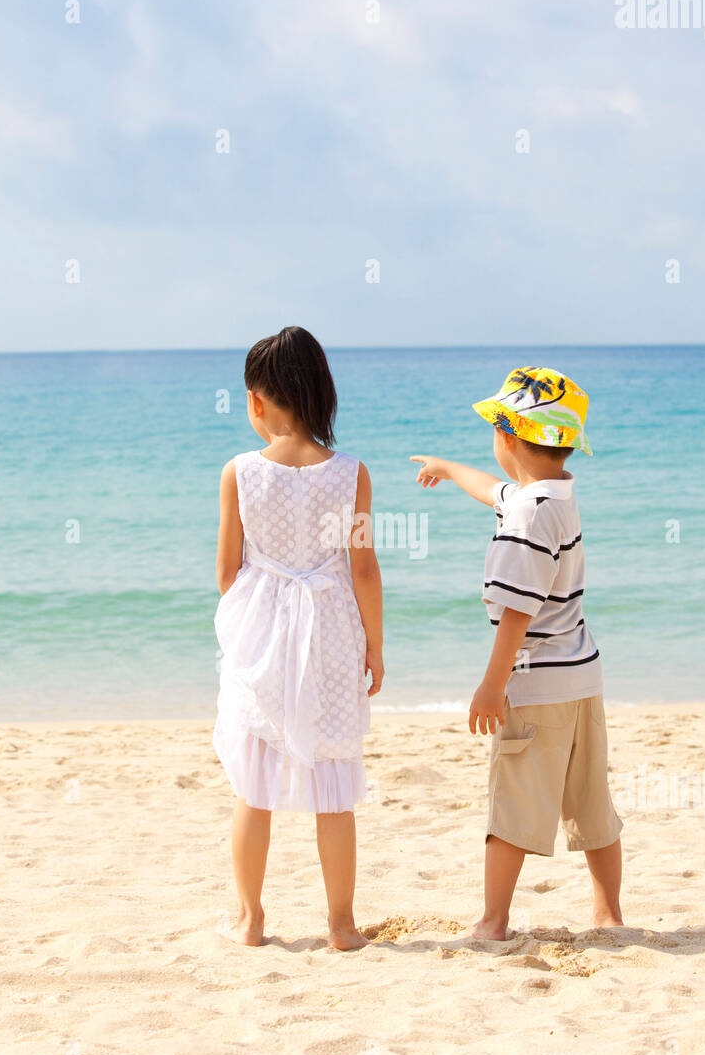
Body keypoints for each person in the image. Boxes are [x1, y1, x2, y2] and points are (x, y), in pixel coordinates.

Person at [411, 366, 623, 938]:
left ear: (506, 436)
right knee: (591, 801)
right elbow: (494, 491)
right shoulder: (553, 498)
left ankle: (494, 919)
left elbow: (517, 613)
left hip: (536, 683)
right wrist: (449, 469)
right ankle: (608, 914)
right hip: (582, 674)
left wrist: (491, 683)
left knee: (513, 802)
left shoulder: (528, 515)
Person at [214, 326, 384, 950]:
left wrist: (255, 610)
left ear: (257, 402)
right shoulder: (351, 474)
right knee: (333, 784)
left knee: (252, 784)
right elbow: (362, 565)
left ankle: (251, 918)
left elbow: (227, 570)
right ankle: (341, 923)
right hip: (332, 627)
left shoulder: (239, 473)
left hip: (264, 627)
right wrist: (375, 642)